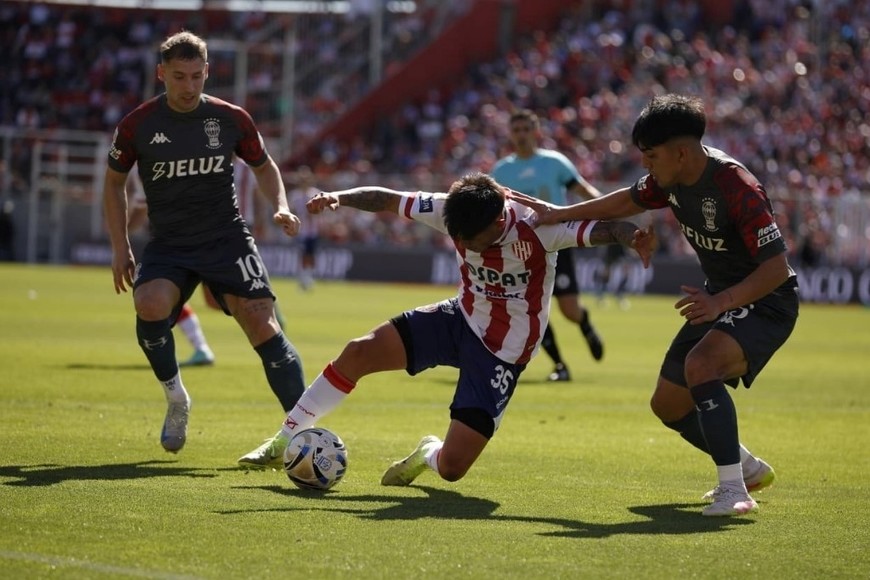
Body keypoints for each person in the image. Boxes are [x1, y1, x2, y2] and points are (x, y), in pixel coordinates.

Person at [237, 172, 655, 486]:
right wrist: (337, 198)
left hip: (502, 352)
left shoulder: (539, 226)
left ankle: (427, 453)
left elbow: (607, 229)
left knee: (453, 469)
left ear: (495, 224)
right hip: (459, 318)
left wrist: (633, 236)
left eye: (467, 239)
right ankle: (282, 440)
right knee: (359, 350)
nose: (460, 243)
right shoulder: (453, 208)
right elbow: (386, 198)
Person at [512, 94, 799, 517]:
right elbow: (624, 201)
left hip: (765, 301)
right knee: (667, 405)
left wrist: (721, 301)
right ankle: (748, 466)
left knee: (701, 366)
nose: (646, 165)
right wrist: (560, 213)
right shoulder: (670, 179)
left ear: (681, 153)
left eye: (650, 156)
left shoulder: (736, 186)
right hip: (717, 299)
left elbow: (777, 268)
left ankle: (734, 490)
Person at [103, 31, 306, 454]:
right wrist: (121, 246)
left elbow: (265, 167)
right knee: (149, 305)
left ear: (207, 72)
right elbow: (114, 183)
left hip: (225, 238)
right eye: (179, 76)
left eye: (197, 76)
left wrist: (281, 206)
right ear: (162, 74)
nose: (189, 86)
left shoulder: (230, 118)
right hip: (171, 243)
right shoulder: (138, 125)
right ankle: (177, 398)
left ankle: (304, 431)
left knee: (262, 323)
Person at [491, 109, 604, 383]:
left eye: (525, 130)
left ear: (535, 131)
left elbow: (583, 191)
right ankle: (560, 365)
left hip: (555, 243)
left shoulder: (554, 163)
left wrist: (606, 209)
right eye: (515, 130)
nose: (520, 135)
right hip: (519, 249)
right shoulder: (502, 170)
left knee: (569, 309)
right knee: (532, 308)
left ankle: (584, 322)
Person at [128, 191, 215, 367]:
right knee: (170, 297)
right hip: (199, 239)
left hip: (179, 246)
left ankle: (263, 306)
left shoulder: (149, 167)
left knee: (215, 300)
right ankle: (201, 348)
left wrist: (121, 233)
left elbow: (141, 207)